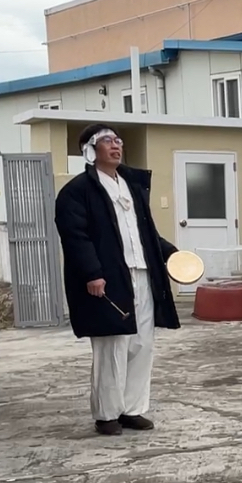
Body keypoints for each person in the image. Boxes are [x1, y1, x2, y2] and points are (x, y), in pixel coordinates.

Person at [54, 123, 181, 437]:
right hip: (109, 279)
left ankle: (132, 409)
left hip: (142, 274)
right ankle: (107, 414)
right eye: (107, 140)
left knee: (141, 344)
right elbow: (75, 236)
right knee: (112, 346)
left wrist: (170, 254)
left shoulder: (132, 186)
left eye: (118, 140)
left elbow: (145, 232)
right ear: (90, 150)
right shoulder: (77, 191)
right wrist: (92, 273)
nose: (116, 145)